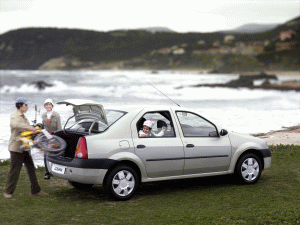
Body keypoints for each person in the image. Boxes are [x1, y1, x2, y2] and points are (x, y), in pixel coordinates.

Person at [3, 97, 48, 199]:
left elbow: (27, 129)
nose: (27, 107)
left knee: (31, 169)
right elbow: (17, 125)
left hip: (25, 148)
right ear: (20, 105)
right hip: (16, 148)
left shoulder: (24, 117)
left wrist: (36, 127)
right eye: (26, 105)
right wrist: (30, 128)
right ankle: (8, 192)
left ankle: (36, 191)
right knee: (15, 171)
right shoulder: (14, 116)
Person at [41, 98, 62, 179]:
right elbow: (43, 127)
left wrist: (58, 139)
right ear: (45, 106)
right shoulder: (43, 115)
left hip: (54, 138)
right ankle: (47, 173)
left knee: (53, 155)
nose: (48, 106)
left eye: (49, 104)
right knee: (46, 155)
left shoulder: (56, 115)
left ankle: (56, 171)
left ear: (52, 106)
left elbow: (59, 128)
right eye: (46, 105)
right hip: (46, 138)